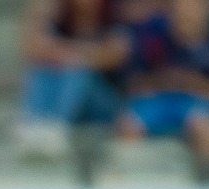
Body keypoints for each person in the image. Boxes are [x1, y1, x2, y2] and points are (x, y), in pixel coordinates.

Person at [117, 0, 209, 173]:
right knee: (128, 123)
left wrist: (194, 84)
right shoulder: (153, 39)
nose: (187, 13)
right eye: (181, 7)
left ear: (207, 12)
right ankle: (127, 179)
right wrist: (163, 81)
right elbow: (133, 86)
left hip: (198, 103)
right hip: (157, 101)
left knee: (201, 125)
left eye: (194, 8)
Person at [14, 0, 130, 152]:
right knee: (42, 72)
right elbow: (32, 47)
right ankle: (35, 126)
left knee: (78, 73)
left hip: (105, 103)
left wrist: (65, 54)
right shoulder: (60, 14)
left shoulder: (115, 13)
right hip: (68, 96)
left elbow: (114, 56)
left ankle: (52, 130)